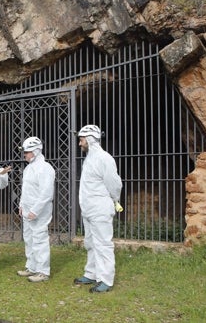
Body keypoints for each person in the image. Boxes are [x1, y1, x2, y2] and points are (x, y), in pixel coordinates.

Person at [74, 124, 123, 293]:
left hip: (100, 208)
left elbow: (114, 184)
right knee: (90, 242)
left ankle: (106, 280)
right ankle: (91, 273)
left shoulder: (104, 158)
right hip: (89, 209)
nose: (80, 144)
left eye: (81, 140)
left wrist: (114, 199)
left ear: (89, 139)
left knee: (103, 244)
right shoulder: (90, 158)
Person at [16, 137, 56, 282]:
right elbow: (25, 190)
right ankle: (32, 267)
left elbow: (46, 193)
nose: (24, 155)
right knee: (29, 238)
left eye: (27, 152)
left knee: (39, 239)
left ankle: (43, 271)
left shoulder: (45, 168)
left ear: (36, 151)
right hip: (28, 210)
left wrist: (35, 210)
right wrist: (21, 205)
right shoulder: (28, 168)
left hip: (39, 212)